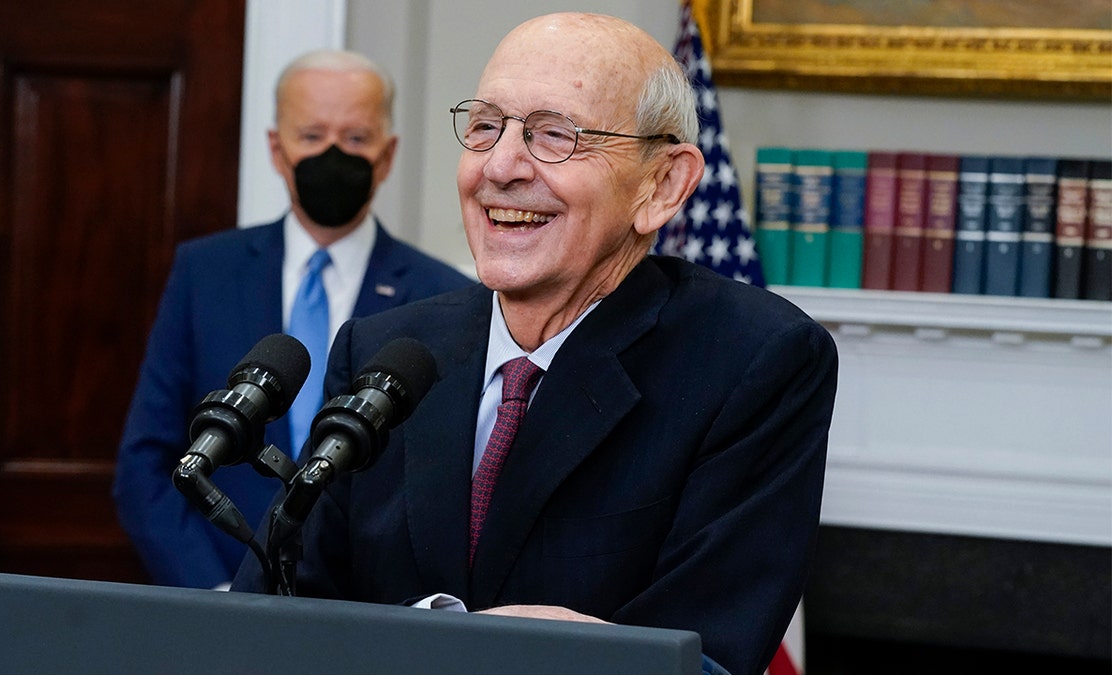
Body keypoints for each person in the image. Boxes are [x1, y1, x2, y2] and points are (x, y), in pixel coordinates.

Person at [232, 14, 837, 675]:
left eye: (555, 134)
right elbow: (278, 607)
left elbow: (702, 655)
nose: (500, 166)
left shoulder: (757, 361)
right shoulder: (387, 349)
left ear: (661, 184)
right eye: (486, 126)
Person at [114, 49, 474, 590]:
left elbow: (437, 492)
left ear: (388, 153)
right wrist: (217, 596)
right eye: (312, 136)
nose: (333, 155)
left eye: (355, 138)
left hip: (361, 619)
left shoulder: (445, 295)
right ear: (276, 149)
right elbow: (146, 464)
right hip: (212, 601)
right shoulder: (205, 272)